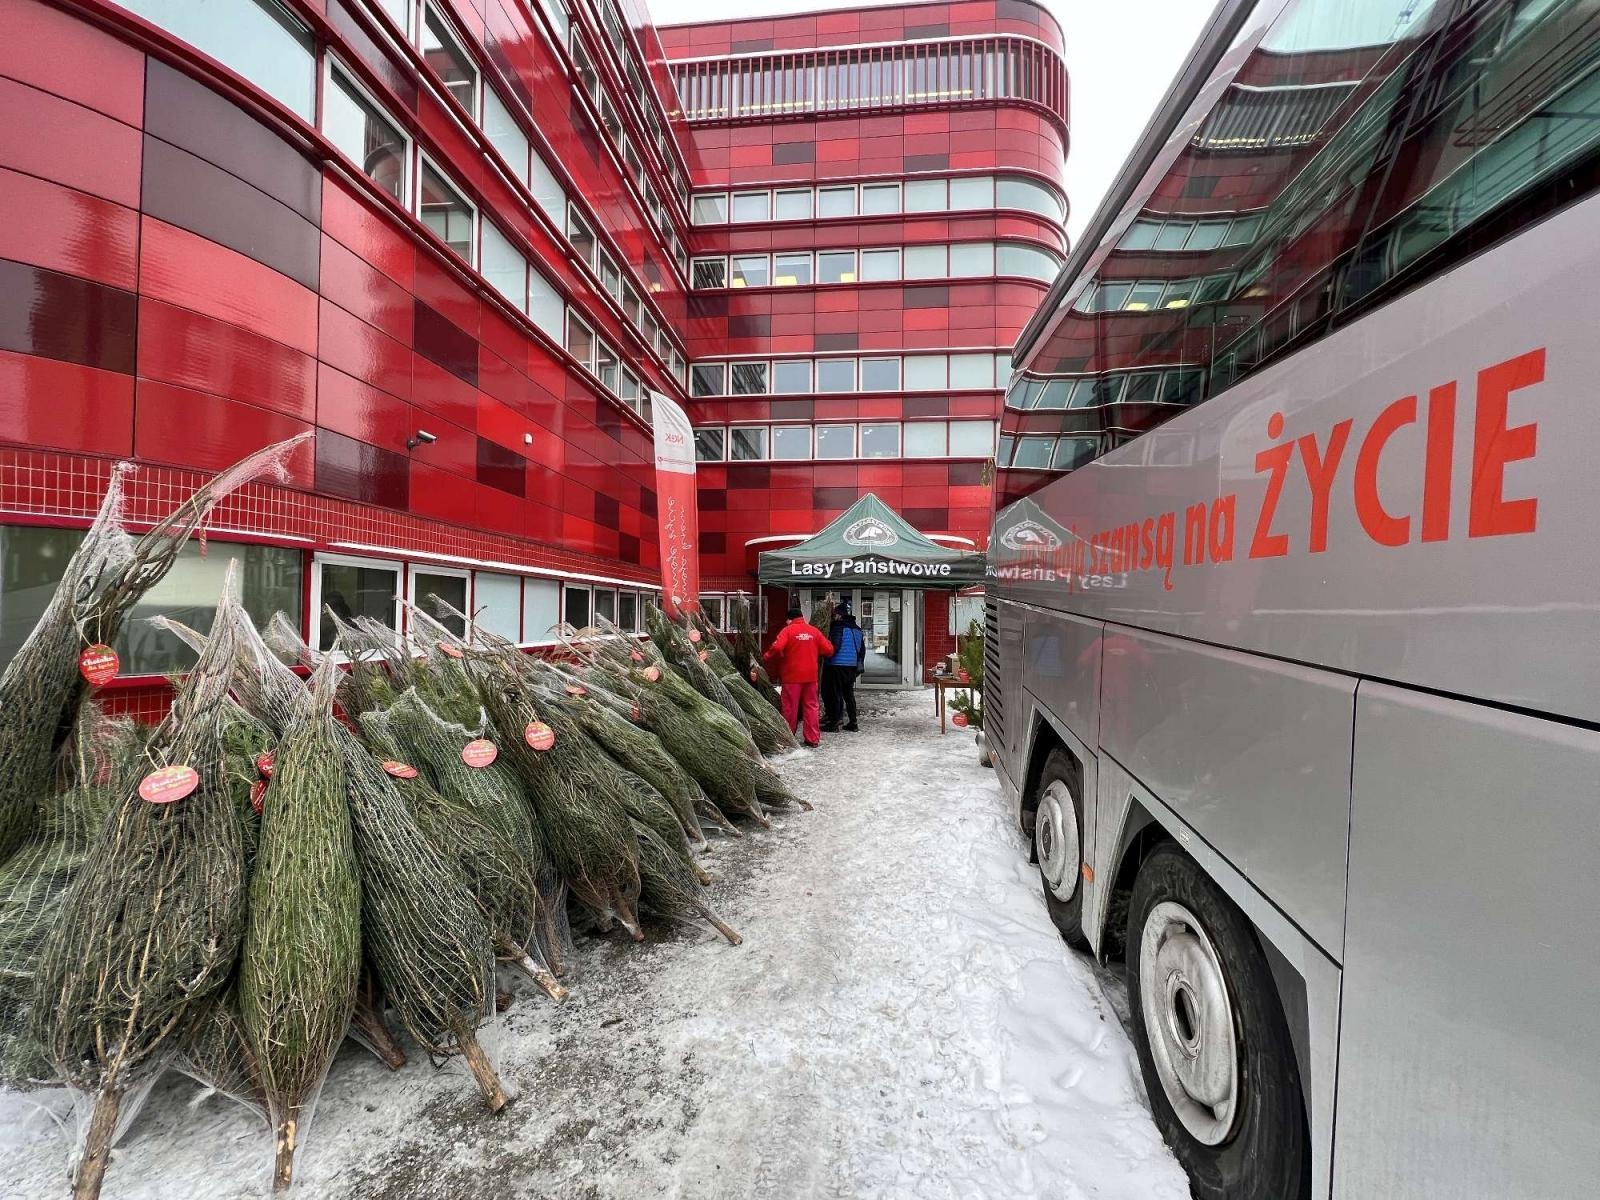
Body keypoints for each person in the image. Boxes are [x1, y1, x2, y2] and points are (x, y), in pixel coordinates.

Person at [763, 604, 834, 747]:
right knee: (812, 707)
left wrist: (766, 656)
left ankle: (789, 739)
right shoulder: (814, 631)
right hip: (811, 677)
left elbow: (777, 647)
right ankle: (812, 739)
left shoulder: (788, 630)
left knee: (790, 708)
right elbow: (829, 649)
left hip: (791, 677)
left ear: (789, 619)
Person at [821, 600, 866, 732]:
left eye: (834, 614)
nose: (833, 617)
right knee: (848, 694)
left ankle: (834, 723)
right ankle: (853, 722)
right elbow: (862, 650)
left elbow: (833, 647)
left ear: (839, 615)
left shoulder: (837, 628)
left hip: (836, 665)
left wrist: (823, 654)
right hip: (851, 666)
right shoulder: (857, 629)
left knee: (835, 694)